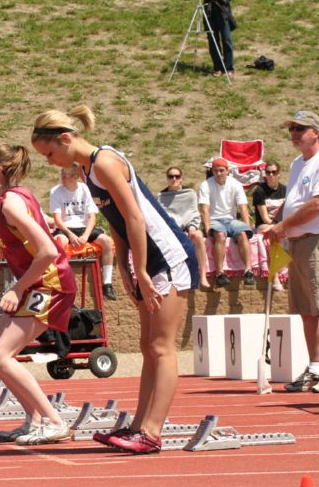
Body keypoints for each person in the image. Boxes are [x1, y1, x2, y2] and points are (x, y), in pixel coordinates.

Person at [31, 105, 198, 454]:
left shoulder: (105, 162)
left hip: (166, 255)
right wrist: (123, 266)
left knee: (161, 347)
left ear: (65, 139)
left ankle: (152, 432)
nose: (50, 162)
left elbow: (136, 219)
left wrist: (142, 269)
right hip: (144, 258)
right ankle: (138, 425)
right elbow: (119, 225)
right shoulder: (89, 172)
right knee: (147, 348)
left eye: (49, 153)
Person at [0, 143, 77, 445]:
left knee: (0, 354)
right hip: (38, 283)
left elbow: (46, 250)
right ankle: (33, 419)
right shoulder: (14, 197)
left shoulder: (11, 204)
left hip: (50, 284)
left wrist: (16, 288)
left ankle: (53, 421)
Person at [264, 111, 319, 394]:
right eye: (291, 128)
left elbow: (318, 204)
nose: (293, 133)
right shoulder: (296, 162)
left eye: (299, 128)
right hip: (298, 242)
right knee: (306, 309)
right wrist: (278, 216)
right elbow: (296, 199)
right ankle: (316, 368)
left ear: (315, 132)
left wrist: (281, 226)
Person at [49, 164, 116, 300]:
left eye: (66, 176)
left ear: (75, 177)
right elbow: (57, 219)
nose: (62, 179)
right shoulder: (56, 191)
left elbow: (92, 216)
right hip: (65, 227)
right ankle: (61, 283)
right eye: (62, 175)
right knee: (60, 243)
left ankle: (107, 283)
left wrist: (86, 235)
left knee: (107, 242)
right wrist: (69, 234)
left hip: (84, 227)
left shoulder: (84, 189)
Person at [198, 157, 253, 287]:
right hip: (214, 219)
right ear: (212, 171)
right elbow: (204, 209)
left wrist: (248, 226)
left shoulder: (235, 184)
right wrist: (207, 229)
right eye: (216, 171)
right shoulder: (206, 185)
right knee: (220, 235)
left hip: (230, 219)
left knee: (243, 233)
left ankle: (248, 270)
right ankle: (220, 273)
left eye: (222, 170)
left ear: (227, 171)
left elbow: (243, 207)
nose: (219, 173)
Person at [157, 166, 212, 290]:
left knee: (198, 235)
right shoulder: (161, 196)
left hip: (188, 227)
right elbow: (161, 217)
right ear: (167, 179)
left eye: (177, 176)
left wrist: (192, 226)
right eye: (171, 176)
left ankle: (203, 276)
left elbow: (194, 213)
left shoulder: (190, 193)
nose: (174, 179)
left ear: (181, 179)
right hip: (171, 230)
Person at [201, 0, 234, 77]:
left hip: (222, 9)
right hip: (209, 10)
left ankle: (229, 68)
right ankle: (218, 68)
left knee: (226, 39)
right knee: (212, 40)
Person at [253, 161, 286, 234]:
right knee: (274, 231)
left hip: (281, 223)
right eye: (268, 172)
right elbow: (265, 218)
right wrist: (277, 227)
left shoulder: (285, 190)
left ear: (279, 174)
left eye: (274, 172)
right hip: (264, 224)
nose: (271, 175)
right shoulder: (259, 190)